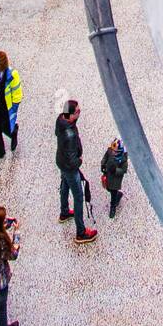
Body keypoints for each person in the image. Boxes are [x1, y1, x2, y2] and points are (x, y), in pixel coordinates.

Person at [55, 100, 97, 244]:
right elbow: (73, 160)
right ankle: (81, 232)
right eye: (77, 112)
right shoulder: (70, 134)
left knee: (64, 185)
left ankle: (64, 211)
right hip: (70, 167)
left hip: (61, 161)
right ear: (71, 115)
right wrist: (80, 161)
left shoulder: (61, 119)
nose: (80, 113)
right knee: (79, 197)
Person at [100, 138, 129, 219]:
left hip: (116, 179)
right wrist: (103, 164)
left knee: (113, 191)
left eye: (115, 151)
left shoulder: (123, 160)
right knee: (108, 188)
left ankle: (113, 207)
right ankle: (118, 195)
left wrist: (115, 170)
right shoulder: (110, 150)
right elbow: (105, 156)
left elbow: (123, 170)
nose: (113, 152)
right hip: (108, 174)